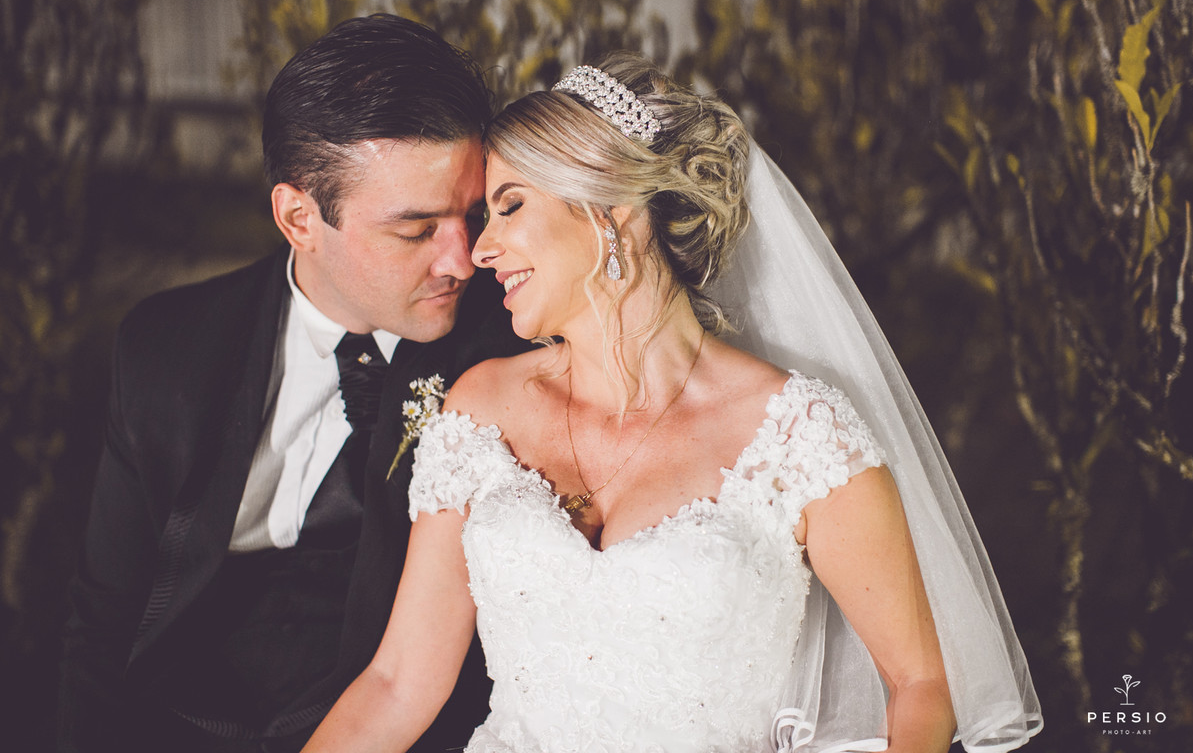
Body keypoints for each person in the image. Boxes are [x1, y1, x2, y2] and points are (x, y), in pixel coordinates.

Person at [304, 55, 1043, 752]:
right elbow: (397, 684)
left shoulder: (798, 437)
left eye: (509, 207)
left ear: (613, 210)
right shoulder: (479, 410)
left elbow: (922, 683)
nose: (479, 249)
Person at [58, 14, 527, 752]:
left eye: (472, 215)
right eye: (415, 230)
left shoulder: (511, 349)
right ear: (299, 218)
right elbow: (102, 619)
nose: (463, 260)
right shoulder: (166, 349)